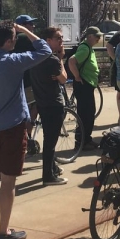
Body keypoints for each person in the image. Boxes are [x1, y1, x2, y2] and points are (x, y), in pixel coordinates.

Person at [0, 20, 51, 239]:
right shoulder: (14, 61)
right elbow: (45, 50)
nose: (16, 40)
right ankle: (3, 231)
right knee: (8, 181)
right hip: (13, 127)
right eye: (15, 37)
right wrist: (25, 30)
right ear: (8, 41)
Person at [30, 27, 69, 185]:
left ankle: (53, 168)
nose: (61, 41)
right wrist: (61, 58)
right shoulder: (52, 60)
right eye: (58, 38)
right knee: (50, 142)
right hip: (53, 103)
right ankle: (48, 176)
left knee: (48, 138)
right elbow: (64, 79)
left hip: (41, 102)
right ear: (48, 41)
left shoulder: (35, 57)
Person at [68, 26, 102, 151]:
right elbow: (72, 61)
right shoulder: (85, 48)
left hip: (87, 84)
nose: (99, 39)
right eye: (97, 36)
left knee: (89, 113)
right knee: (85, 114)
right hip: (83, 85)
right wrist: (77, 76)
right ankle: (81, 142)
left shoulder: (88, 48)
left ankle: (86, 139)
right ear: (90, 36)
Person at [12, 14, 40, 141]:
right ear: (22, 26)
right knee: (34, 106)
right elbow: (43, 48)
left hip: (13, 80)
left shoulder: (11, 39)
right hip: (28, 80)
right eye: (30, 24)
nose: (33, 26)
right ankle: (27, 136)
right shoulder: (25, 38)